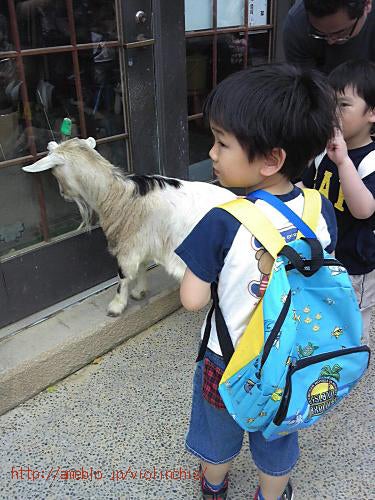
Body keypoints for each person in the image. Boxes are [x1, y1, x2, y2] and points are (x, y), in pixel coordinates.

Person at [175, 64, 338, 500]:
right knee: (279, 432)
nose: (211, 153)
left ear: (271, 159)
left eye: (222, 143)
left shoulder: (221, 220)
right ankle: (271, 495)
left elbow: (191, 299)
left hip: (226, 360)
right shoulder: (319, 209)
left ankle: (214, 486)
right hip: (292, 356)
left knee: (217, 429)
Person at [301, 59, 375, 345]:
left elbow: (363, 209)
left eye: (343, 105)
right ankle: (327, 350)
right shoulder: (323, 153)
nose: (334, 112)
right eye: (330, 104)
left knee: (353, 316)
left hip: (356, 264)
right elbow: (304, 187)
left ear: (372, 113)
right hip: (323, 255)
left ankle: (355, 357)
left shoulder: (368, 161)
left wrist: (343, 161)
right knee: (323, 308)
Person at [283, 0, 375, 74]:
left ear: (367, 5)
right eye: (319, 33)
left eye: (340, 33)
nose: (330, 41)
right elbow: (305, 88)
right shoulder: (297, 24)